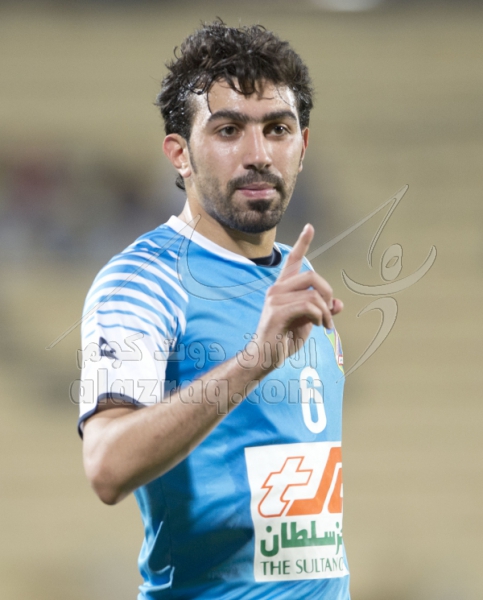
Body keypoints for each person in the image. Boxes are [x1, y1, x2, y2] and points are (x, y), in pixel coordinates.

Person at [79, 20, 349, 599]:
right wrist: (253, 361)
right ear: (179, 153)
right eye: (228, 130)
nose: (258, 155)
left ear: (302, 146)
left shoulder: (295, 286)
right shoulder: (144, 280)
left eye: (277, 129)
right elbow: (106, 466)